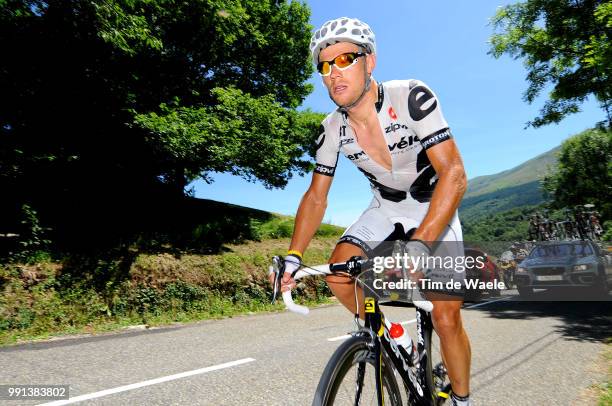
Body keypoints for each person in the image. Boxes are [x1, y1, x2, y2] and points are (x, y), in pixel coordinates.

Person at [270, 17, 472, 405]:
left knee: (446, 317)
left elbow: (455, 174)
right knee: (339, 274)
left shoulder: (411, 96)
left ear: (370, 61)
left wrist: (422, 244)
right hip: (386, 207)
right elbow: (316, 197)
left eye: (345, 59)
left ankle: (462, 400)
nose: (334, 73)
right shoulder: (331, 130)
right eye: (325, 66)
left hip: (434, 205)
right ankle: (398, 339)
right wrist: (294, 256)